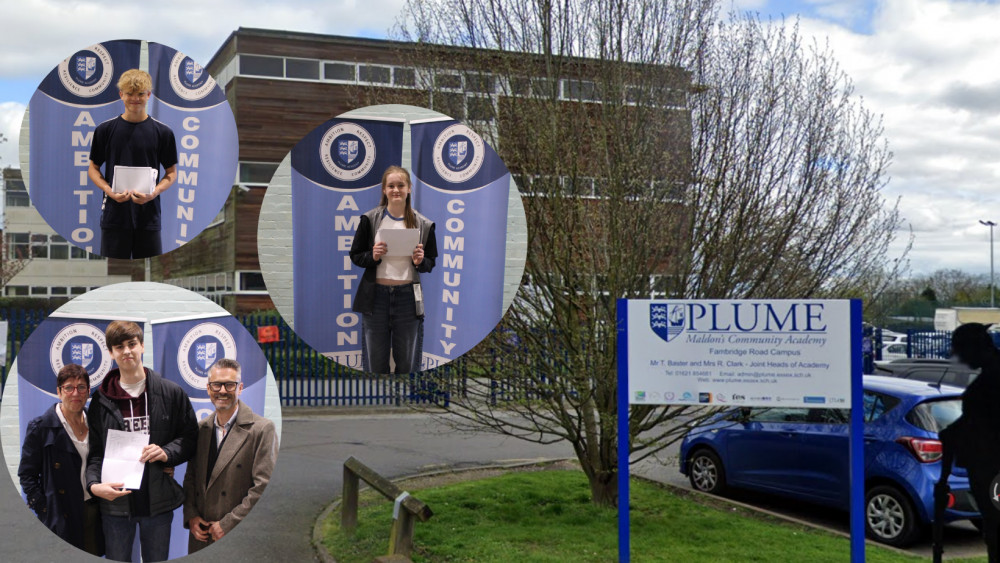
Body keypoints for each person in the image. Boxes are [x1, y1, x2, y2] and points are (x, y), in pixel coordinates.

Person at [85, 321, 197, 562]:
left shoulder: (171, 393)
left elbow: (189, 438)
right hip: (115, 504)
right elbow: (95, 453)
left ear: (142, 346)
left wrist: (167, 452)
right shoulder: (100, 401)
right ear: (111, 353)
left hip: (157, 503)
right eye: (119, 347)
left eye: (132, 344)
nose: (126, 351)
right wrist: (94, 485)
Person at [350, 165, 438, 374]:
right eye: (391, 186)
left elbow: (431, 263)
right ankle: (378, 403)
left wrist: (419, 260)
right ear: (384, 189)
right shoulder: (369, 220)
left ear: (409, 188)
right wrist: (373, 255)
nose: (396, 190)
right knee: (375, 363)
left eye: (401, 185)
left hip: (408, 298)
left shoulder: (424, 224)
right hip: (375, 299)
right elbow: (355, 256)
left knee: (407, 364)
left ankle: (404, 403)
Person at [183, 358, 277, 552]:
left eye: (229, 385)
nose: (223, 391)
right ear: (209, 389)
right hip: (202, 535)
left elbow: (263, 487)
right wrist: (191, 516)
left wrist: (228, 524)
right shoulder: (200, 430)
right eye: (217, 385)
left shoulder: (261, 430)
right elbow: (191, 477)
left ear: (240, 388)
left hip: (236, 534)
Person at [88, 68, 178, 259]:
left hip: (149, 218)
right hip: (114, 217)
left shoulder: (164, 133)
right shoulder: (104, 130)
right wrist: (109, 190)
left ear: (149, 95)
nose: (135, 99)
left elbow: (171, 173)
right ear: (121, 95)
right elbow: (93, 168)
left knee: (149, 277)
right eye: (129, 93)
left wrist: (154, 192)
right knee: (114, 275)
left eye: (140, 94)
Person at [18, 364, 104, 555]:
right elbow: (27, 475)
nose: (76, 393)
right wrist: (45, 509)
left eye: (81, 387)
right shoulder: (40, 428)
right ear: (59, 392)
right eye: (68, 387)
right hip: (61, 514)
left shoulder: (97, 423)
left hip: (93, 511)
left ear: (88, 392)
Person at [940, 323, 1000, 562]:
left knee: (996, 530)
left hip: (993, 473)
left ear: (976, 347)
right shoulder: (988, 378)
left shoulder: (991, 381)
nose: (961, 360)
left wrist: (954, 434)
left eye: (961, 352)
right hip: (986, 473)